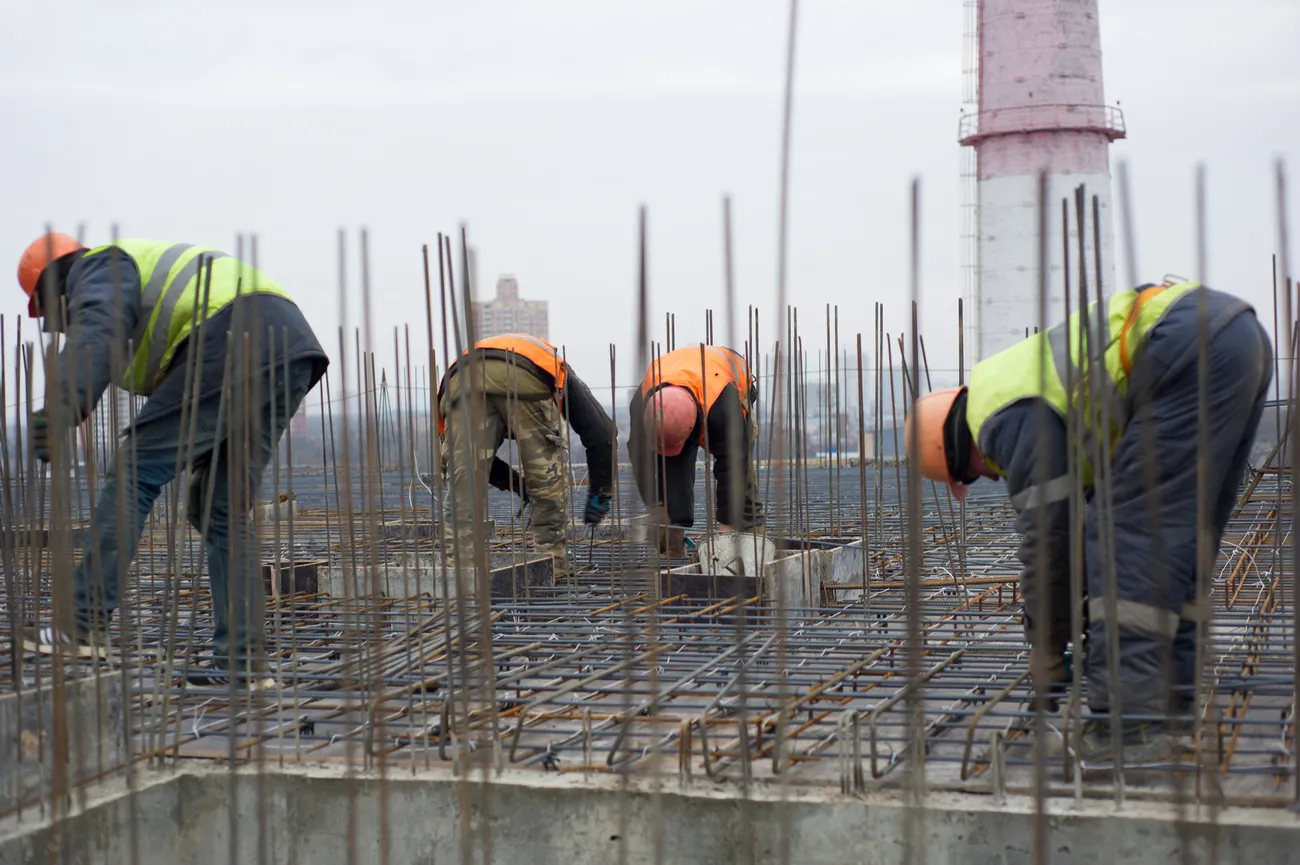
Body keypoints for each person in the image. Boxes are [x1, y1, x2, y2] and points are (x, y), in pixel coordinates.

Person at [904, 278, 1272, 765]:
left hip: (1184, 345)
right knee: (1180, 549)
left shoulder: (1002, 419)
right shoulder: (1019, 387)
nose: (991, 477)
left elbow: (1049, 542)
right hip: (1236, 340)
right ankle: (1171, 709)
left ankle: (1131, 726)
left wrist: (1048, 654)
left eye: (976, 473)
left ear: (957, 454)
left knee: (1129, 540)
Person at [16, 233, 329, 685]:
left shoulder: (99, 268)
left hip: (234, 336)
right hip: (288, 350)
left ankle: (80, 625)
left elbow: (98, 329)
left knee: (133, 470)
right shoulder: (129, 286)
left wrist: (64, 401)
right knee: (222, 508)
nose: (60, 326)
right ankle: (242, 664)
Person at [437, 334, 616, 586]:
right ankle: (551, 562)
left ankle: (459, 572)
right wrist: (601, 493)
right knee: (546, 480)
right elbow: (602, 434)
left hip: (460, 382)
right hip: (525, 377)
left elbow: (478, 467)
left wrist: (519, 486)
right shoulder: (559, 372)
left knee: (463, 487)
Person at [628, 344, 763, 554]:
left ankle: (754, 550)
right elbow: (640, 460)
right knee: (670, 484)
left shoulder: (724, 413)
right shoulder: (642, 407)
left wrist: (725, 536)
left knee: (743, 487)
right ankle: (671, 553)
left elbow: (733, 469)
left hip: (726, 386)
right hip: (681, 391)